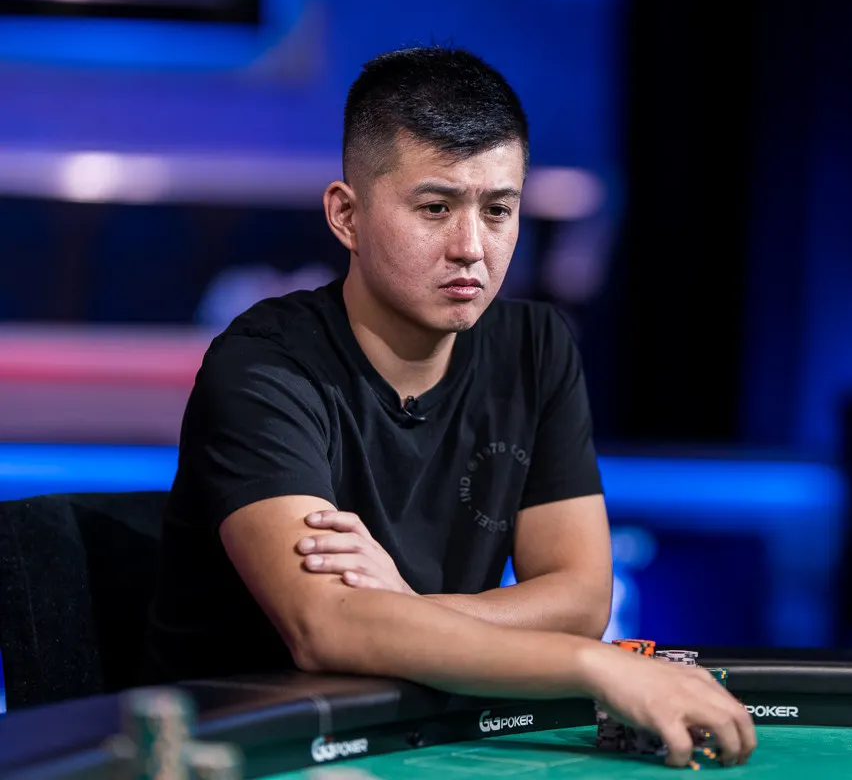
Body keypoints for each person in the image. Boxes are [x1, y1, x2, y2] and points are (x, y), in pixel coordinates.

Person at [141, 46, 756, 767]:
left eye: (498, 210)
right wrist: (597, 666)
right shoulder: (261, 366)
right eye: (435, 208)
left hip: (427, 738)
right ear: (346, 215)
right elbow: (325, 629)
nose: (471, 248)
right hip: (247, 753)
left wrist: (397, 611)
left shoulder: (535, 346)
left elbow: (581, 599)